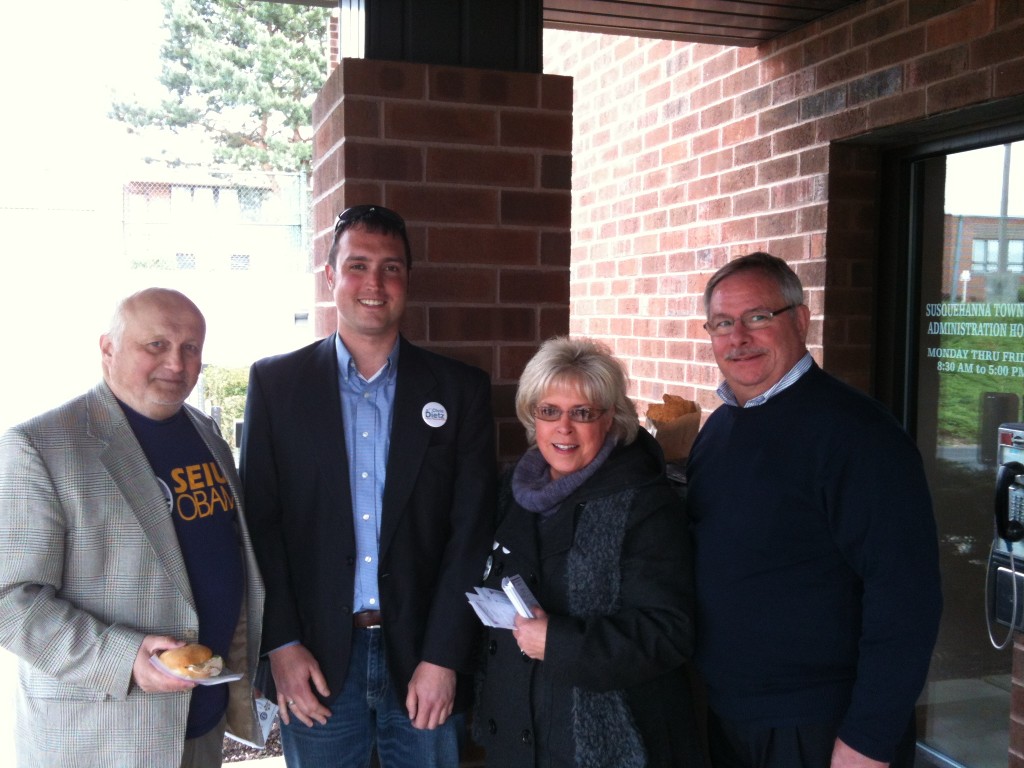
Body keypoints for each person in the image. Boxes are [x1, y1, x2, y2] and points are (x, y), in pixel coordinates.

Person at [240, 204, 496, 768]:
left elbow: (471, 531)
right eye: (357, 266)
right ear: (330, 276)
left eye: (391, 268)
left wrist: (445, 655)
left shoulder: (461, 390)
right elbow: (260, 525)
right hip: (316, 660)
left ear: (408, 280)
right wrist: (279, 644)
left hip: (424, 661)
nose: (373, 284)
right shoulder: (276, 385)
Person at [686, 252, 942, 768]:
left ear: (800, 319)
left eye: (758, 317)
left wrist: (868, 740)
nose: (737, 337)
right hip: (731, 716)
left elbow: (906, 595)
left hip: (823, 727)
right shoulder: (718, 431)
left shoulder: (858, 435)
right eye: (722, 323)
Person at [0, 288, 266, 768]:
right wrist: (121, 658)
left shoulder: (206, 435)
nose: (177, 363)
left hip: (200, 725)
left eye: (190, 348)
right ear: (108, 349)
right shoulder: (41, 447)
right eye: (156, 345)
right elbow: (9, 600)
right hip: (105, 739)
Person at [473, 336, 703, 768]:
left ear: (611, 420)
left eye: (582, 413)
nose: (564, 427)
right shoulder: (512, 492)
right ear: (532, 418)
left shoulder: (644, 503)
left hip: (606, 748)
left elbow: (669, 632)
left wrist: (558, 643)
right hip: (518, 741)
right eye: (549, 411)